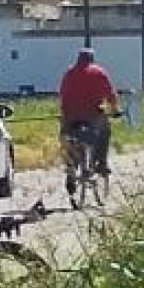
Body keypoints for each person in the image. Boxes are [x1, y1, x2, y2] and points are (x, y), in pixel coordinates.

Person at [59, 48, 120, 195]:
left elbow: (62, 95)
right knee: (105, 130)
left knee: (67, 138)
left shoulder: (69, 73)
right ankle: (101, 163)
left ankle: (71, 167)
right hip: (92, 115)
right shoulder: (98, 72)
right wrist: (115, 110)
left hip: (70, 116)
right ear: (92, 59)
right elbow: (111, 95)